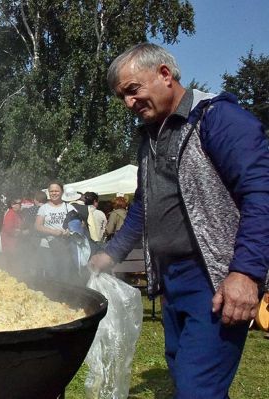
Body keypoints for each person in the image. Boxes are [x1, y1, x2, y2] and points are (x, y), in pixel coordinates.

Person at [89, 43, 269, 398]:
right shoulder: (151, 139)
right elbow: (144, 206)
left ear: (165, 75)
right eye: (122, 97)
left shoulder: (217, 118)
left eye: (132, 90)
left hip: (215, 278)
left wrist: (246, 273)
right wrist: (112, 253)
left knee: (196, 387)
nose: (129, 103)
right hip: (171, 279)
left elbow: (261, 193)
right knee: (186, 372)